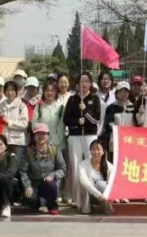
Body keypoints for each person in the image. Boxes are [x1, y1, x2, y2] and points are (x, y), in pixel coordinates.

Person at [64, 72, 102, 206]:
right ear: (77, 84)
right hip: (75, 136)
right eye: (81, 81)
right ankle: (76, 198)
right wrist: (76, 122)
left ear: (90, 84)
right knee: (75, 166)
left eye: (86, 81)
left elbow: (96, 119)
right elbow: (66, 119)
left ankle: (92, 196)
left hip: (90, 136)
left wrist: (85, 110)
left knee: (91, 164)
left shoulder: (95, 98)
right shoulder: (72, 99)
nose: (84, 84)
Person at [21, 123, 66, 214]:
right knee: (32, 202)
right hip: (33, 183)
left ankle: (52, 204)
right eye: (38, 134)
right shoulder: (28, 151)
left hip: (48, 183)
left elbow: (62, 169)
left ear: (48, 135)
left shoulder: (55, 150)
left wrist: (52, 175)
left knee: (51, 185)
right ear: (34, 136)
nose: (40, 136)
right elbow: (23, 171)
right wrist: (27, 186)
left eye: (43, 134)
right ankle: (37, 202)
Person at [78, 138, 114, 214]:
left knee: (101, 184)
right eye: (93, 149)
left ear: (103, 151)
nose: (95, 152)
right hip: (90, 196)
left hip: (103, 198)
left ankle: (104, 205)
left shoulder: (109, 166)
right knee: (89, 181)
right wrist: (99, 196)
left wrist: (103, 197)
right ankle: (86, 207)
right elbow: (83, 181)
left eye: (98, 149)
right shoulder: (83, 164)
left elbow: (110, 185)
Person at [0, 81, 31, 155]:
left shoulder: (22, 106)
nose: (10, 93)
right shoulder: (0, 106)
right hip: (3, 141)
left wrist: (9, 123)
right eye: (7, 90)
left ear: (16, 92)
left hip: (18, 142)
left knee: (16, 162)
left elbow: (24, 124)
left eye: (12, 90)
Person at [34, 82, 67, 152]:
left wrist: (54, 142)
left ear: (56, 92)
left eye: (52, 91)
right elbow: (35, 124)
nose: (49, 93)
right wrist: (41, 139)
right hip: (42, 144)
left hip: (58, 145)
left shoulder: (60, 107)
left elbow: (61, 126)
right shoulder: (39, 107)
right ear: (43, 92)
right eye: (47, 91)